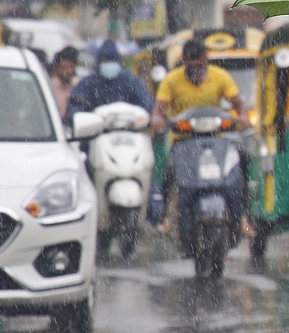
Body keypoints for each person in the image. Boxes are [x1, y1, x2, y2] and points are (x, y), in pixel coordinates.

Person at [150, 38, 253, 236]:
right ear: (183, 61)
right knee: (170, 173)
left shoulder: (220, 77)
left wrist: (242, 117)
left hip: (217, 139)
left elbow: (239, 104)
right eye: (192, 66)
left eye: (201, 65)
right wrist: (158, 120)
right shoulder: (171, 81)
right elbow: (159, 109)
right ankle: (165, 217)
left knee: (240, 163)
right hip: (183, 141)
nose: (197, 71)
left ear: (207, 59)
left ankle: (243, 217)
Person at [67, 39, 154, 120]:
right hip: (96, 131)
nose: (109, 64)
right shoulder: (88, 83)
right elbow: (75, 104)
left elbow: (145, 101)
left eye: (112, 60)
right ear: (99, 63)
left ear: (118, 61)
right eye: (105, 61)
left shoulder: (130, 81)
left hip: (129, 129)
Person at [49, 46, 78, 120]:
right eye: (63, 68)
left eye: (70, 67)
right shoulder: (49, 86)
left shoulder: (78, 86)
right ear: (57, 69)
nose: (67, 72)